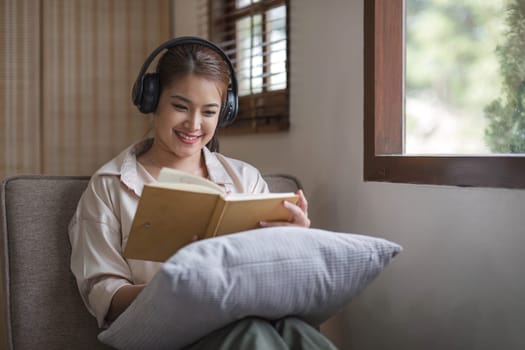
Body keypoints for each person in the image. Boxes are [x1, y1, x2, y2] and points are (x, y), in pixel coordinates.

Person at [68, 37, 337, 349]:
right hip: (160, 334)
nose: (194, 124)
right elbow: (103, 293)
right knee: (251, 334)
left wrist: (297, 242)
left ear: (224, 113)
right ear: (152, 100)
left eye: (209, 112)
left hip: (238, 319)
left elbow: (274, 279)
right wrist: (173, 285)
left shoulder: (246, 180)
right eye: (180, 106)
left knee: (298, 332)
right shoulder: (109, 186)